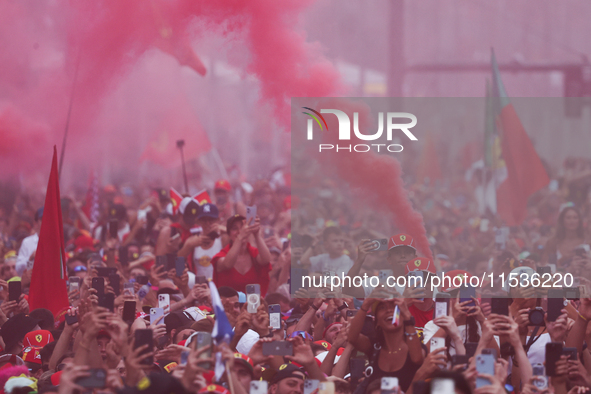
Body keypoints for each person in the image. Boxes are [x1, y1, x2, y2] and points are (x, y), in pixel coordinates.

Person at [211, 214, 271, 296]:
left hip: (252, 306)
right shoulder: (222, 256)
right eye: (235, 228)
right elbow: (228, 264)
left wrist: (257, 234)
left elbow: (266, 260)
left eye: (243, 227)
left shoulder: (253, 254)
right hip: (229, 306)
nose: (240, 231)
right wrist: (241, 236)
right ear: (229, 234)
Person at [192, 203, 224, 279]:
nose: (207, 223)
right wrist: (188, 246)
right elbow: (179, 260)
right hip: (200, 286)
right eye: (204, 220)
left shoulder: (223, 239)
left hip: (218, 286)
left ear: (218, 220)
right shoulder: (193, 240)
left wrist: (225, 229)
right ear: (198, 221)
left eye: (211, 220)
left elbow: (242, 238)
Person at [16, 208, 42, 277]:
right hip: (31, 282)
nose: (46, 222)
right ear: (36, 223)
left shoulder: (56, 243)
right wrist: (31, 259)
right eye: (42, 219)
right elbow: (18, 269)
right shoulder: (27, 242)